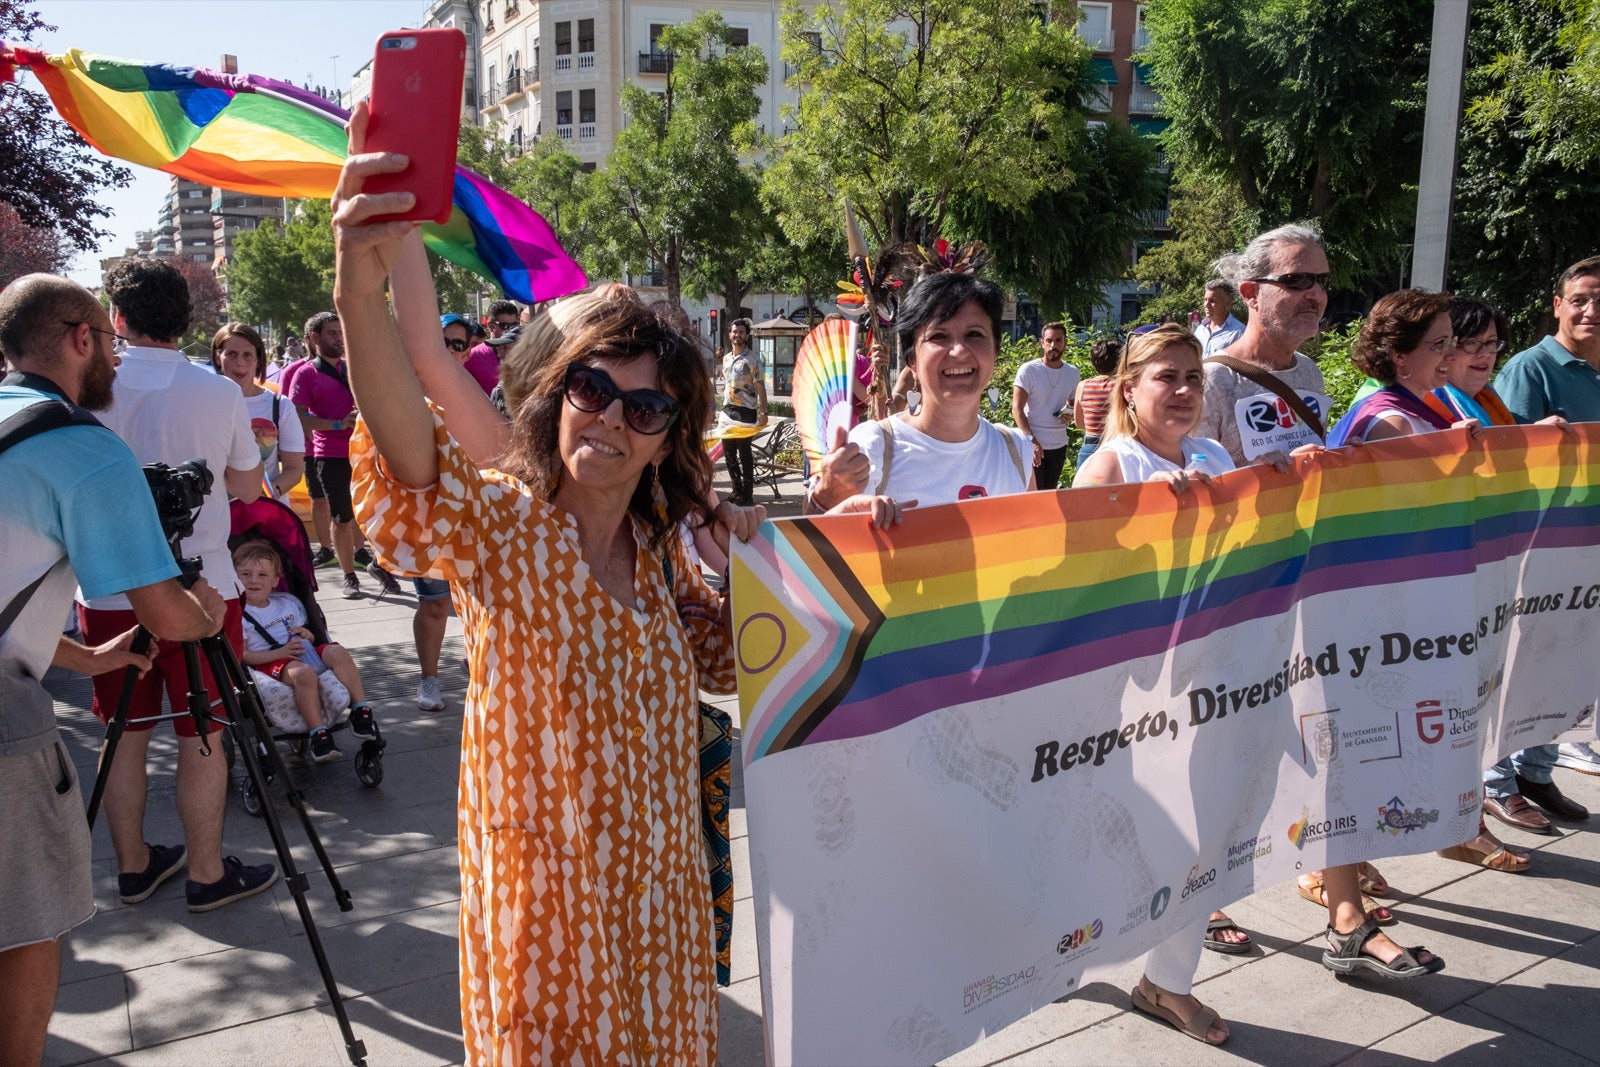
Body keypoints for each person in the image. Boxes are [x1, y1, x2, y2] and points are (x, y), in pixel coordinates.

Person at [330, 106, 765, 1062]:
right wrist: (361, 284)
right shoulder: (506, 527)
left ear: (666, 439)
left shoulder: (658, 556)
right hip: (550, 934)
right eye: (592, 389)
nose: (610, 419)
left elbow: (731, 666)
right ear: (558, 394)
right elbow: (411, 453)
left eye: (645, 408)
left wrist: (749, 568)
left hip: (661, 915)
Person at [0, 274, 229, 1067]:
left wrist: (87, 655)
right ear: (79, 337)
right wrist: (208, 612)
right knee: (28, 920)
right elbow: (167, 615)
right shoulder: (81, 446)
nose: (114, 357)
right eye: (106, 339)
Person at [75, 258, 279, 916]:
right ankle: (207, 872)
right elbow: (247, 486)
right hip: (203, 588)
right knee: (204, 731)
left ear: (118, 317)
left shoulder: (86, 387)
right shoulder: (218, 391)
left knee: (124, 732)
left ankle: (133, 867)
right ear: (187, 320)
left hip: (110, 587)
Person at [1070, 324, 1236, 1044]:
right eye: (1165, 376)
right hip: (1131, 686)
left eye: (1193, 377)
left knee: (1201, 829)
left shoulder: (1214, 456)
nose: (1183, 390)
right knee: (1105, 831)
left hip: (1209, 673)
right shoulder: (1109, 466)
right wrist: (1151, 520)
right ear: (1129, 389)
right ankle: (1052, 951)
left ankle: (1167, 980)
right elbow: (1074, 578)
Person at [1422, 296, 1570, 868]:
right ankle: (1470, 811)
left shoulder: (1486, 401)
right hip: (1452, 577)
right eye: (1469, 343)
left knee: (1485, 693)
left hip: (1494, 569)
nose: (1483, 355)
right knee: (1457, 704)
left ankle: (1466, 818)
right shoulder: (1430, 403)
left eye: (1492, 344)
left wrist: (1534, 441)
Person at [1472, 257, 1600, 812]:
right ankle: (1497, 782)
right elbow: (1505, 458)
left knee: (1571, 665)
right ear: (1558, 305)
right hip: (1540, 548)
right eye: (1580, 299)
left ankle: (1536, 771)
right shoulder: (1531, 368)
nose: (1591, 311)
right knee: (1521, 664)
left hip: (1589, 546)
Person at [809, 258, 1038, 516]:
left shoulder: (1016, 451)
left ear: (995, 349)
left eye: (975, 334)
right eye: (938, 336)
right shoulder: (872, 449)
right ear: (912, 360)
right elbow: (803, 536)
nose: (959, 351)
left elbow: (1037, 538)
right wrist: (825, 497)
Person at [285, 310, 399, 598]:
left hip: (366, 452)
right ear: (315, 338)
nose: (339, 338)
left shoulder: (353, 367)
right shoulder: (305, 373)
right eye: (332, 333)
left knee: (375, 513)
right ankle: (349, 577)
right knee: (342, 517)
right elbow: (296, 417)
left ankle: (377, 564)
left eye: (341, 332)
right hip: (331, 455)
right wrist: (336, 424)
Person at [1196, 224, 1332, 462]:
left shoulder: (1309, 371)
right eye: (1298, 280)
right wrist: (1256, 475)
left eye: (1322, 281)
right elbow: (1193, 478)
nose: (1317, 295)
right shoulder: (1212, 382)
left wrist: (1344, 454)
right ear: (1251, 293)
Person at [234, 541, 377, 761]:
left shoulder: (288, 604)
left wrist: (306, 634)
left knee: (337, 652)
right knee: (303, 673)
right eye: (245, 574)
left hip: (301, 651)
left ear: (275, 580)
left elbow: (307, 634)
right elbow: (244, 655)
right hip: (269, 660)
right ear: (234, 578)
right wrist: (280, 654)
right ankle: (318, 734)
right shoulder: (238, 615)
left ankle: (360, 709)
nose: (253, 580)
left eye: (262, 575)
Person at [210, 322, 305, 499]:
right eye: (232, 354)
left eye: (248, 355)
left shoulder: (280, 406)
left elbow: (294, 469)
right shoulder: (203, 403)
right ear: (217, 357)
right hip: (216, 511)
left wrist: (264, 496)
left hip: (263, 512)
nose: (240, 363)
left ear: (259, 359)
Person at [278, 315, 335, 564]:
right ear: (310, 339)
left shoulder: (343, 368)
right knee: (319, 498)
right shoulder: (294, 371)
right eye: (330, 334)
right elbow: (287, 411)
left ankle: (357, 549)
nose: (335, 339)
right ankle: (326, 548)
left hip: (342, 448)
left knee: (345, 501)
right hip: (310, 448)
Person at [1012, 321, 1080, 490]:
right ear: (1042, 342)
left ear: (1065, 342)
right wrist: (1031, 441)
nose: (1053, 345)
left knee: (1049, 495)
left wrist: (1069, 413)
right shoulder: (1029, 370)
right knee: (1033, 498)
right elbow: (1017, 409)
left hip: (1059, 444)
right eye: (1049, 341)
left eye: (1058, 340)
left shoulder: (1072, 372)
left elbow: (1073, 404)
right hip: (1032, 444)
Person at [721, 316, 767, 506]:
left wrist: (764, 411)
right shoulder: (726, 358)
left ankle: (747, 494)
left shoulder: (753, 359)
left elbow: (760, 386)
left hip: (746, 411)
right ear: (729, 334)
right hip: (727, 410)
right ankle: (736, 490)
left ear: (747, 336)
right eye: (734, 331)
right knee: (729, 453)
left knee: (744, 453)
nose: (737, 335)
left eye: (741, 332)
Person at [1072, 337, 1120, 467]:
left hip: (1089, 447)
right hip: (1115, 445)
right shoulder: (1122, 386)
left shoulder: (1083, 386)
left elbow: (1079, 423)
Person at [462, 298, 518, 395]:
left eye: (514, 325)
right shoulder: (472, 356)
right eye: (504, 326)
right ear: (491, 326)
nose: (510, 330)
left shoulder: (526, 353)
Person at [1192, 279, 1246, 355]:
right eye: (1205, 300)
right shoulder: (1200, 330)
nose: (1206, 305)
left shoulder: (1239, 332)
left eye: (1212, 301)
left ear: (1227, 303)